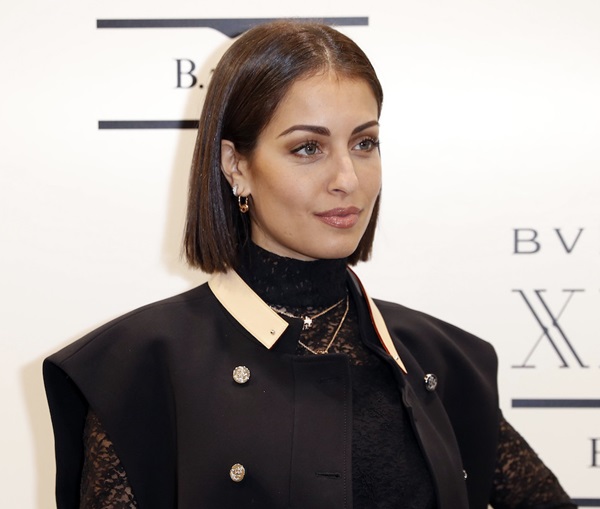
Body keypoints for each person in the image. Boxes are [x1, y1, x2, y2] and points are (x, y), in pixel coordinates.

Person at [44, 20, 577, 509]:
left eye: (364, 143)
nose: (348, 178)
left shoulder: (444, 361)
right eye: (307, 148)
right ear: (236, 166)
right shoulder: (139, 369)